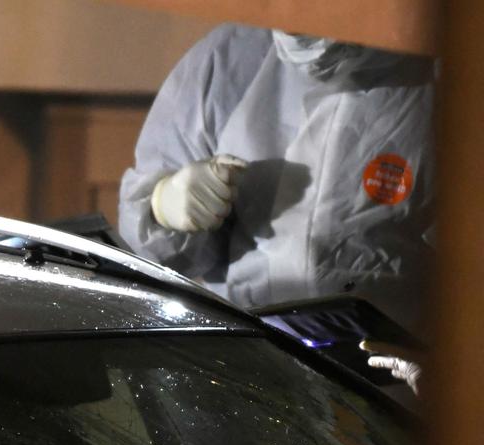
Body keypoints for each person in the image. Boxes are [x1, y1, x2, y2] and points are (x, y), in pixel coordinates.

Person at [118, 24, 436, 339]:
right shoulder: (230, 57)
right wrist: (162, 206)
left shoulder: (448, 70)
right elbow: (157, 261)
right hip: (255, 356)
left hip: (397, 373)